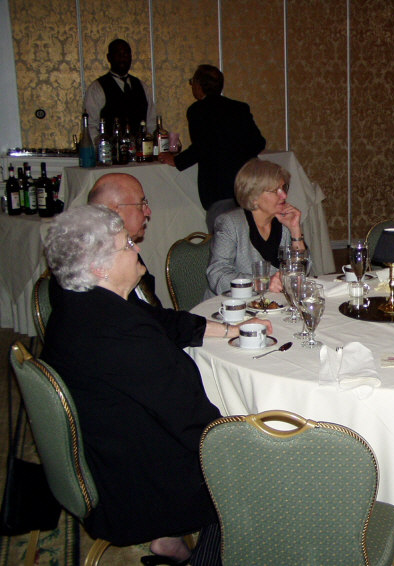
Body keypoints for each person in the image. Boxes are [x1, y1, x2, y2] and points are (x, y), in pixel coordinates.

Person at [40, 205, 272, 565]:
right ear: (100, 267)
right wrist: (247, 449)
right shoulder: (122, 334)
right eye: (127, 244)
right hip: (136, 491)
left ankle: (169, 541)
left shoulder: (80, 304)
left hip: (106, 455)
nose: (137, 248)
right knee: (262, 465)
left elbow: (160, 323)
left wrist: (228, 329)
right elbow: (192, 421)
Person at [158, 64, 266, 231]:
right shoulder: (239, 108)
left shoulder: (198, 110)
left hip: (218, 188)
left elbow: (202, 146)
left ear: (198, 85)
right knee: (248, 236)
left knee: (223, 238)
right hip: (247, 185)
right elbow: (258, 142)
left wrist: (176, 160)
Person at [206, 158, 305, 297]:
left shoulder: (284, 222)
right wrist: (262, 283)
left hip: (274, 303)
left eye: (283, 188)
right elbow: (217, 275)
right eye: (275, 190)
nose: (284, 195)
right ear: (254, 197)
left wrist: (295, 230)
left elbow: (303, 271)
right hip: (232, 304)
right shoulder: (230, 223)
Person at [87, 172, 160, 306]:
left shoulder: (124, 250)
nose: (148, 211)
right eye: (141, 204)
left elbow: (152, 312)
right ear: (115, 211)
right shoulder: (83, 269)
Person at [84, 39, 155, 140]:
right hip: (110, 148)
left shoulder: (142, 87)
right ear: (109, 57)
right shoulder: (97, 88)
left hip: (140, 148)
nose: (123, 58)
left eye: (126, 54)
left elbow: (151, 124)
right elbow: (91, 127)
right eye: (118, 54)